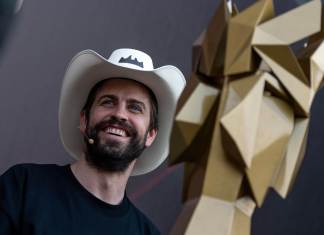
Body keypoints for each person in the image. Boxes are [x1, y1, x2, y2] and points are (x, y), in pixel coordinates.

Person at [0, 48, 186, 234]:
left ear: (151, 135)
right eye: (108, 102)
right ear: (84, 120)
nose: (120, 114)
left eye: (135, 108)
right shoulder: (23, 186)